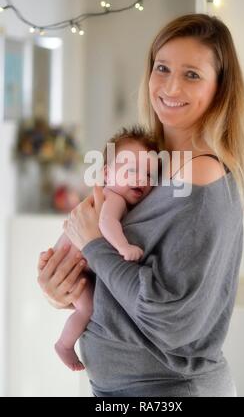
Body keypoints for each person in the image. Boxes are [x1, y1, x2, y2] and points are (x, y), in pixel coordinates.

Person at [37, 13, 244, 397]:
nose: (170, 86)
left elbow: (169, 320)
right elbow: (118, 283)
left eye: (192, 74)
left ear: (220, 88)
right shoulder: (147, 171)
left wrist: (94, 246)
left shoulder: (201, 178)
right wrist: (61, 287)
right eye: (162, 67)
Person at [53, 126, 159, 371]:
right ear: (107, 174)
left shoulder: (111, 196)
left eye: (149, 174)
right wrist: (124, 247)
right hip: (71, 267)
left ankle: (64, 344)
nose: (141, 179)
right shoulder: (113, 198)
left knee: (86, 306)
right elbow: (106, 223)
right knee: (86, 308)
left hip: (72, 266)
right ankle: (64, 344)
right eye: (131, 170)